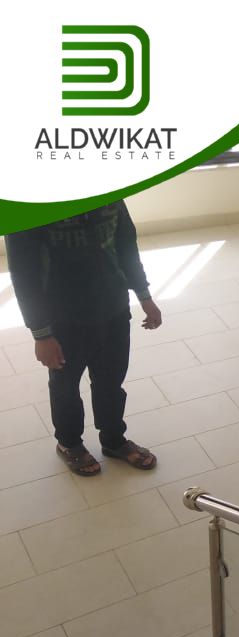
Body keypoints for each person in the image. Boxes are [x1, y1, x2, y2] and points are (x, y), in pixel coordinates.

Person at [5, 200, 162, 476]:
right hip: (62, 319)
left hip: (113, 308)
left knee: (111, 380)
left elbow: (126, 246)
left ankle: (113, 438)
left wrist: (144, 295)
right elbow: (24, 273)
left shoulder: (110, 192)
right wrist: (41, 334)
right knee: (65, 387)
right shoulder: (28, 204)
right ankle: (69, 443)